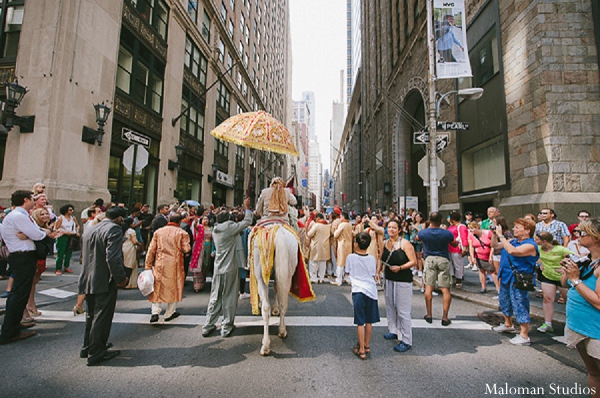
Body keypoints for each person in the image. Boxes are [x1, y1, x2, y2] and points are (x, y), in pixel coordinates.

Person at [0, 190, 57, 345]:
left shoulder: (21, 215)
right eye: (33, 199)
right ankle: (9, 331)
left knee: (21, 293)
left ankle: (14, 324)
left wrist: (37, 232)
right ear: (26, 200)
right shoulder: (18, 216)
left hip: (24, 256)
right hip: (22, 256)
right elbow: (38, 234)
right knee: (19, 294)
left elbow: (36, 232)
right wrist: (42, 232)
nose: (35, 201)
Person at [78, 206, 129, 365]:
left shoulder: (91, 228)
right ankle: (96, 352)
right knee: (102, 316)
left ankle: (88, 346)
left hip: (88, 276)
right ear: (119, 219)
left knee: (91, 314)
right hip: (104, 278)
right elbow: (113, 257)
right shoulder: (114, 229)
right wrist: (120, 278)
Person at [560, 218, 600, 396]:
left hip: (595, 330)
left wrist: (575, 279)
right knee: (594, 373)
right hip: (579, 326)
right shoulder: (587, 259)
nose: (577, 236)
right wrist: (568, 271)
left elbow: (598, 302)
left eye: (582, 233)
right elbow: (565, 283)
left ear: (596, 237)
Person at [202, 198, 252, 338]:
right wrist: (247, 207)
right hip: (230, 268)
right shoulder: (229, 228)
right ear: (228, 219)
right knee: (229, 297)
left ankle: (208, 325)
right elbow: (247, 222)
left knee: (215, 297)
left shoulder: (216, 230)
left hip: (218, 268)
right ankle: (226, 326)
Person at [491, 218, 539, 346]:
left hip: (518, 278)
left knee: (520, 304)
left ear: (527, 230)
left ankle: (524, 335)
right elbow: (495, 246)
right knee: (505, 301)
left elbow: (513, 251)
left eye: (518, 227)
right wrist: (495, 234)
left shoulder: (530, 245)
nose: (514, 229)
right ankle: (508, 324)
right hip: (506, 276)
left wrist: (501, 235)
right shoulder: (513, 241)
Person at [145, 213, 191, 323]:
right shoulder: (182, 233)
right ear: (180, 221)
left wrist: (148, 265)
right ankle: (170, 312)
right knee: (175, 287)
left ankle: (155, 311)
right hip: (175, 262)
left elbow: (151, 249)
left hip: (160, 262)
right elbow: (187, 249)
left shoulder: (158, 232)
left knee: (157, 287)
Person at [380, 219, 416, 352]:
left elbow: (413, 261)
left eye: (394, 228)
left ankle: (406, 339)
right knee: (390, 306)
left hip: (403, 280)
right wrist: (378, 271)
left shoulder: (405, 243)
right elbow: (381, 258)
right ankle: (393, 330)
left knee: (403, 310)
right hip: (389, 279)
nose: (391, 230)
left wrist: (400, 268)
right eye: (389, 227)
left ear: (400, 230)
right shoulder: (385, 243)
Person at [417, 211, 455, 326]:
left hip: (430, 259)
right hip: (443, 258)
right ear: (441, 220)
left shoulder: (424, 232)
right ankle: (445, 317)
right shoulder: (446, 233)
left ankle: (429, 314)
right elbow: (453, 243)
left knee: (429, 287)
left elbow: (417, 238)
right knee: (445, 289)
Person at [346, 232, 380, 360]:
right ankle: (366, 345)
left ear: (356, 244)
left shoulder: (350, 257)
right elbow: (372, 273)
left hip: (358, 290)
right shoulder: (371, 258)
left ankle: (361, 350)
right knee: (369, 321)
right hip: (371, 290)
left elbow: (347, 273)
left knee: (360, 322)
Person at [534, 231, 572, 333]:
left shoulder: (560, 249)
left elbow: (576, 259)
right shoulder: (539, 248)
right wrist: (540, 263)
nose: (535, 241)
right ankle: (548, 323)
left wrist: (565, 268)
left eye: (537, 240)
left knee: (568, 300)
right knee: (547, 299)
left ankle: (570, 325)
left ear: (544, 241)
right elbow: (535, 257)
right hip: (547, 276)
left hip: (562, 278)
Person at [27, 208, 57, 317]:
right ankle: (30, 305)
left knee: (34, 283)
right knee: (30, 284)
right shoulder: (36, 228)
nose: (45, 216)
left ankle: (30, 305)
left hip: (42, 258)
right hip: (35, 258)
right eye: (42, 214)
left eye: (46, 214)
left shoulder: (47, 228)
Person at [467, 222, 497, 294]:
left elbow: (493, 244)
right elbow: (471, 246)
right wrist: (472, 257)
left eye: (472, 229)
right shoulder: (471, 235)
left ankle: (498, 288)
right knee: (481, 270)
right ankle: (483, 287)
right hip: (479, 255)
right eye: (470, 229)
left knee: (493, 271)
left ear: (477, 227)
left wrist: (491, 255)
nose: (471, 231)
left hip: (489, 254)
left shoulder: (487, 233)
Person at [189, 216, 213, 292]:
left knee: (206, 265)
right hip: (199, 247)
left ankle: (202, 282)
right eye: (204, 219)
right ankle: (197, 285)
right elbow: (195, 226)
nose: (205, 221)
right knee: (199, 265)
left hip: (208, 248)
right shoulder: (200, 227)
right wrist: (195, 222)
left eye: (207, 219)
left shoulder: (211, 228)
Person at [54, 203, 80, 275]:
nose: (72, 211)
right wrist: (64, 232)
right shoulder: (60, 218)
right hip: (62, 236)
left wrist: (77, 231)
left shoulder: (73, 218)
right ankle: (58, 268)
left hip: (71, 235)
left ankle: (66, 266)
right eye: (70, 210)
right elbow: (55, 228)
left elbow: (77, 225)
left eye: (72, 210)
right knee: (61, 253)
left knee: (69, 252)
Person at [306, 213, 331, 284]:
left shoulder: (316, 225)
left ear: (317, 218)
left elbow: (309, 234)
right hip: (325, 246)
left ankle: (314, 278)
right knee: (323, 263)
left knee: (313, 262)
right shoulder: (328, 226)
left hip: (316, 246)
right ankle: (321, 278)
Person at [447, 211, 468, 288]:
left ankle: (459, 279)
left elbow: (464, 238)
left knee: (457, 264)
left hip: (456, 248)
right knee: (451, 264)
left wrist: (464, 248)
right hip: (449, 247)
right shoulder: (451, 227)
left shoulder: (461, 226)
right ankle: (452, 277)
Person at [333, 211, 353, 286]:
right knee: (347, 262)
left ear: (342, 217)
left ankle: (339, 279)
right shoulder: (349, 224)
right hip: (349, 244)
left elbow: (335, 235)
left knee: (340, 262)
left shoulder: (342, 225)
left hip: (342, 244)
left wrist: (335, 229)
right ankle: (347, 279)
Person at [121, 217, 141, 289]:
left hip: (123, 247)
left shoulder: (123, 230)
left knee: (124, 263)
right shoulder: (131, 231)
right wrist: (140, 244)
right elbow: (135, 241)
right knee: (130, 264)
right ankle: (129, 282)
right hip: (130, 248)